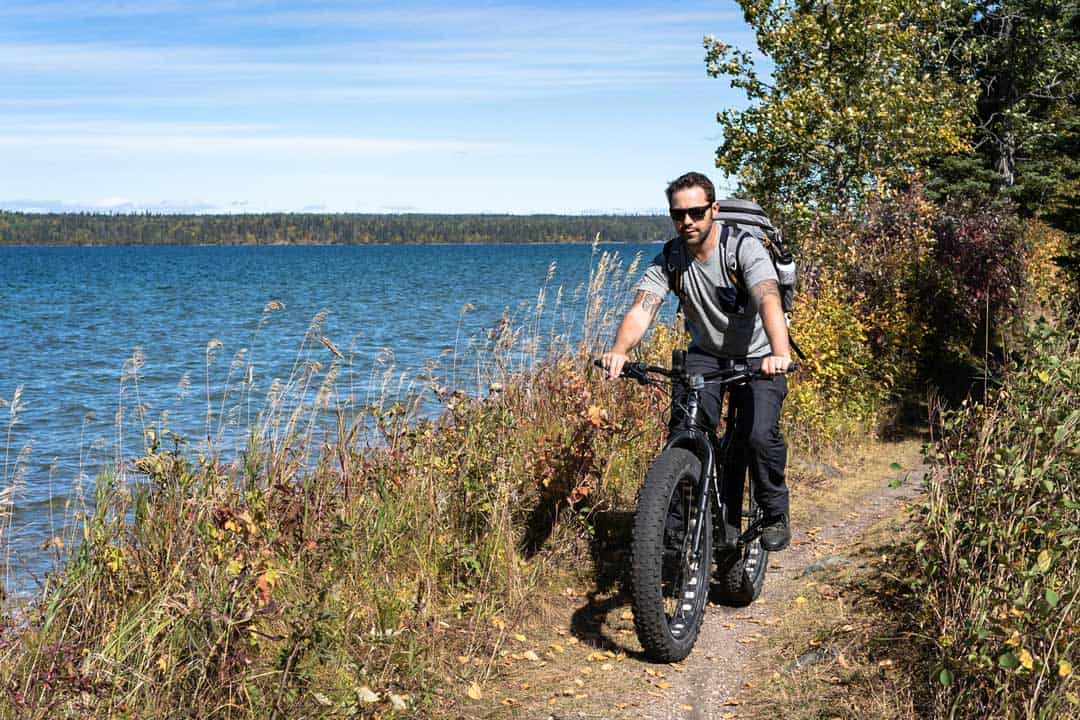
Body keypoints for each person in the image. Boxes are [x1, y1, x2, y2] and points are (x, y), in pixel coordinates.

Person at [601, 171, 793, 551]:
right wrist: (620, 351)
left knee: (757, 436)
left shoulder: (741, 249)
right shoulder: (672, 257)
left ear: (714, 210)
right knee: (685, 433)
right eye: (678, 214)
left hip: (759, 357)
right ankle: (673, 528)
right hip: (706, 356)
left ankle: (774, 512)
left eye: (696, 212)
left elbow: (768, 297)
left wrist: (779, 353)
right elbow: (643, 308)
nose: (687, 221)